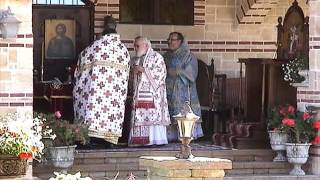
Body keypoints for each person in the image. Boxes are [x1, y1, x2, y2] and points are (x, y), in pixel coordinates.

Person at [73, 16, 130, 146]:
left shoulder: (94, 47)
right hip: (114, 96)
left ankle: (90, 139)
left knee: (93, 112)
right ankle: (109, 139)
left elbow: (79, 70)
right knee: (110, 114)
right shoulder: (124, 51)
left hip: (95, 95)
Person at [128, 36, 170, 146]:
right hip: (139, 94)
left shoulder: (157, 57)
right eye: (134, 46)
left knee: (152, 118)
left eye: (137, 46)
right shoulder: (135, 59)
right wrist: (134, 72)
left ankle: (155, 139)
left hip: (153, 95)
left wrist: (143, 70)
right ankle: (138, 141)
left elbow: (160, 75)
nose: (135, 48)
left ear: (146, 45)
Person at [163, 32, 203, 142]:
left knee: (183, 110)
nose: (170, 42)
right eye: (169, 39)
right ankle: (171, 136)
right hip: (168, 88)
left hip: (184, 89)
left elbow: (192, 72)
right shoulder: (165, 56)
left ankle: (185, 135)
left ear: (180, 41)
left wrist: (178, 71)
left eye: (173, 39)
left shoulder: (188, 55)